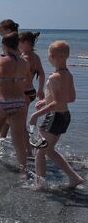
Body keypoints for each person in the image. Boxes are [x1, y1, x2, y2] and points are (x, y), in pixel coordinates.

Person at [29, 41, 84, 189]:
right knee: (48, 150)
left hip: (55, 116)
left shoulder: (54, 77)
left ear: (51, 56)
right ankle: (74, 177)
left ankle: (39, 184)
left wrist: (36, 114)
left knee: (40, 151)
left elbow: (57, 102)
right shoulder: (68, 75)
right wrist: (47, 101)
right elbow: (71, 98)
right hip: (64, 115)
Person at [0, 32, 30, 177]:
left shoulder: (2, 60)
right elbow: (26, 82)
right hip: (20, 102)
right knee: (18, 140)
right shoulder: (24, 62)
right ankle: (23, 171)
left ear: (4, 45)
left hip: (3, 101)